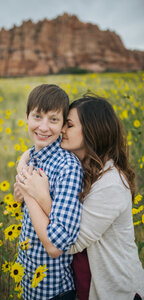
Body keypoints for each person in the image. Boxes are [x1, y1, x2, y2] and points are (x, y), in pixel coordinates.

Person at [17, 94, 144, 300]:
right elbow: (37, 151)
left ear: (92, 131)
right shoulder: (83, 167)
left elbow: (70, 240)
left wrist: (34, 194)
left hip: (116, 290)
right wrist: (23, 164)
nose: (62, 131)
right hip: (86, 284)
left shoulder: (111, 184)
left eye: (69, 124)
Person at [15, 84, 83, 300]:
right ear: (27, 117)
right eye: (37, 116)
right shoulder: (34, 156)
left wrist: (28, 193)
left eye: (53, 119)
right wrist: (22, 194)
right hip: (27, 279)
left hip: (54, 290)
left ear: (63, 125)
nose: (43, 127)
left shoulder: (68, 167)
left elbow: (55, 246)